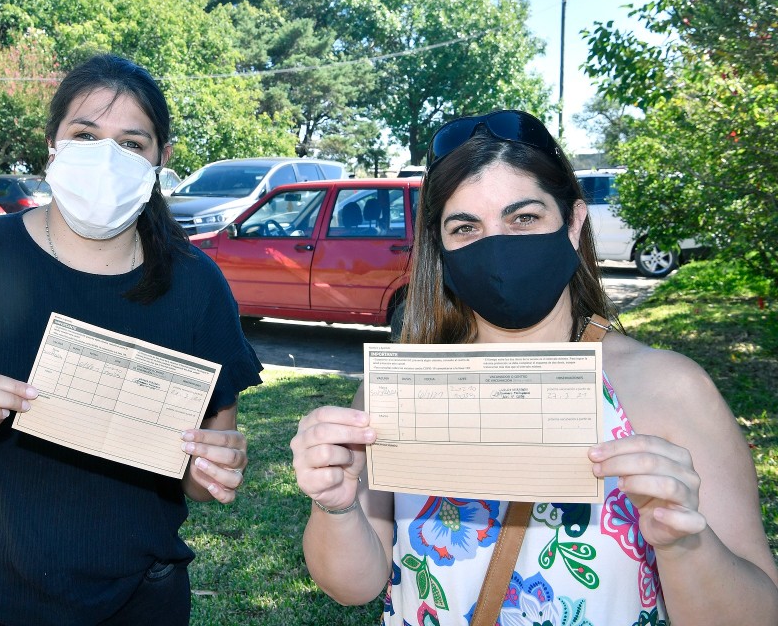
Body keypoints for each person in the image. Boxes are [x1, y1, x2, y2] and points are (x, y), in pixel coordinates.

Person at [291, 109, 778, 625]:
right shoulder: (398, 395)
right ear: (440, 246)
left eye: (523, 218)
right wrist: (335, 504)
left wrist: (683, 544)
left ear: (573, 223)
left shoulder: (667, 391)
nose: (497, 247)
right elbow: (354, 587)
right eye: (466, 227)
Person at [0, 53, 262, 625]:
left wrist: (215, 465)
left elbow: (203, 471)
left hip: (138, 601)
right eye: (85, 136)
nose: (106, 159)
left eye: (131, 144)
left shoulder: (197, 285)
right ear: (52, 145)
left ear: (161, 160)